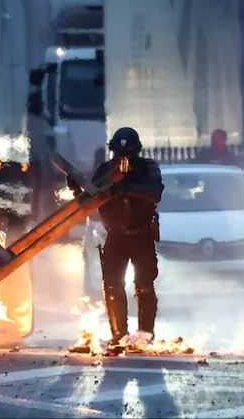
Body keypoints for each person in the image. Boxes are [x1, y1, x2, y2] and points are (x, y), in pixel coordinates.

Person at [67, 126, 163, 348]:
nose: (124, 160)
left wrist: (125, 187)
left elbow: (154, 193)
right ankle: (119, 334)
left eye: (128, 155)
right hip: (116, 237)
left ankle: (144, 335)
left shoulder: (149, 169)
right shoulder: (105, 170)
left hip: (141, 236)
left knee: (144, 286)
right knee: (112, 285)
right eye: (120, 155)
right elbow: (91, 200)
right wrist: (77, 189)